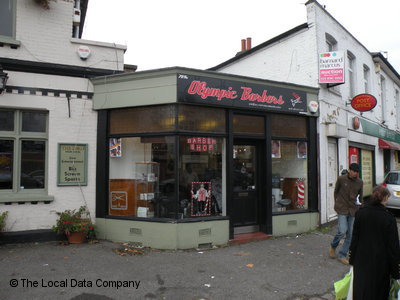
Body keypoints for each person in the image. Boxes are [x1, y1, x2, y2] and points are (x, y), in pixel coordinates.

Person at [349, 185, 400, 300]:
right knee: (379, 292)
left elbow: (355, 237)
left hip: (361, 261)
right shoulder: (389, 218)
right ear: (385, 198)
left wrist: (352, 259)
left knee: (361, 291)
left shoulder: (361, 213)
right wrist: (396, 271)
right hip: (381, 264)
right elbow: (393, 247)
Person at [329, 163, 363, 265]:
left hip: (353, 210)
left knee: (350, 234)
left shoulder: (360, 182)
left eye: (357, 172)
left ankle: (342, 254)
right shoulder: (341, 179)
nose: (355, 174)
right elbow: (336, 191)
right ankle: (333, 246)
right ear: (349, 170)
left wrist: (359, 209)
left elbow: (360, 197)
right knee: (342, 231)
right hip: (342, 209)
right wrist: (337, 203)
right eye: (354, 171)